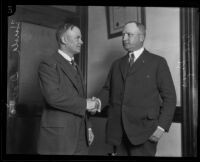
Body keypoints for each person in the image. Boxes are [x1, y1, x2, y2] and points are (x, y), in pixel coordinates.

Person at [96, 21, 177, 156]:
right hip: (118, 133)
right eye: (123, 35)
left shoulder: (158, 62)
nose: (124, 38)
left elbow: (170, 97)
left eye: (129, 34)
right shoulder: (116, 64)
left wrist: (161, 127)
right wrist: (97, 102)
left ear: (141, 37)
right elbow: (107, 90)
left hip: (144, 133)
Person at [37, 23, 100, 155]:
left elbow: (79, 98)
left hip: (81, 136)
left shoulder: (75, 65)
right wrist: (86, 104)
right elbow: (53, 97)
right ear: (64, 40)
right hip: (60, 138)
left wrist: (88, 127)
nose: (81, 42)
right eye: (77, 38)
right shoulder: (48, 63)